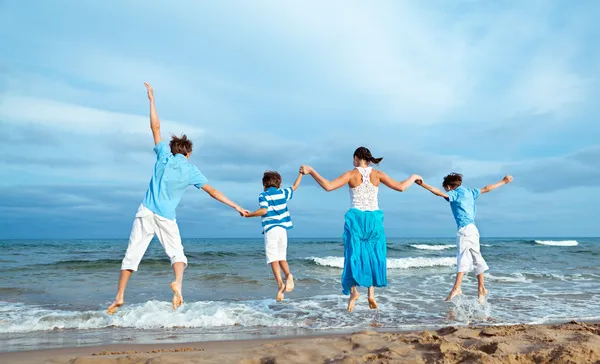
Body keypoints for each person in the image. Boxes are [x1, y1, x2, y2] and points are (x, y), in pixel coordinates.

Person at [107, 83, 248, 315]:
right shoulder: (191, 170)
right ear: (188, 153)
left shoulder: (163, 156)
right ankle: (178, 284)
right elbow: (212, 191)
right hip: (165, 217)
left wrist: (151, 100)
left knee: (131, 256)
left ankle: (120, 296)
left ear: (172, 150)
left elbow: (156, 127)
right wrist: (236, 206)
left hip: (145, 211)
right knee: (178, 255)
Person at [301, 147, 421, 312]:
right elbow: (401, 187)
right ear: (369, 160)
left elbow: (328, 186)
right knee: (374, 254)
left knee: (353, 255)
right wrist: (414, 177)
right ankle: (371, 294)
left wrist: (312, 171)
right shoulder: (378, 175)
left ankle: (353, 292)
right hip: (374, 220)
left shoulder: (351, 174)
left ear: (356, 158)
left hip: (356, 218)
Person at [416, 173, 513, 303]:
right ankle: (481, 288)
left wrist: (423, 185)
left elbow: (438, 192)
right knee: (476, 257)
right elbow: (487, 188)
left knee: (462, 257)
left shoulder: (454, 194)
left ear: (449, 187)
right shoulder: (470, 192)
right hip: (473, 229)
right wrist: (503, 181)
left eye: (446, 188)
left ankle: (457, 288)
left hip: (465, 230)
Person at [245, 170, 303, 301]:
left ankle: (280, 284)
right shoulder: (283, 193)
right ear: (279, 184)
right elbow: (294, 187)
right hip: (283, 230)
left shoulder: (263, 195)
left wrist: (249, 215)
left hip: (271, 230)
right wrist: (300, 174)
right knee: (282, 257)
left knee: (273, 259)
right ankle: (288, 275)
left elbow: (263, 210)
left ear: (264, 184)